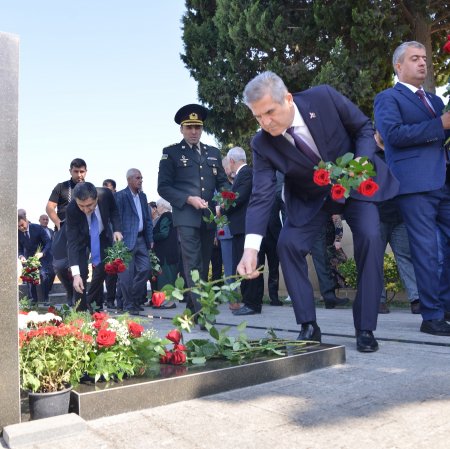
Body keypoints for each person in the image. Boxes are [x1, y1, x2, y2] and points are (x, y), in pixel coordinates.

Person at [237, 71, 399, 352]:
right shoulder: (261, 143)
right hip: (310, 197)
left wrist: (358, 165)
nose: (265, 122)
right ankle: (308, 325)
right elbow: (262, 195)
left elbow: (362, 128)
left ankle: (365, 327)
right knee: (288, 244)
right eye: (257, 117)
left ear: (287, 99)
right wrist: (251, 249)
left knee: (371, 238)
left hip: (354, 184)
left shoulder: (323, 98)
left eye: (270, 112)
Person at [374, 41, 450, 335]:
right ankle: (431, 316)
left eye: (424, 59)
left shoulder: (435, 100)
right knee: (426, 249)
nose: (422, 63)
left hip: (443, 181)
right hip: (414, 185)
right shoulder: (388, 98)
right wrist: (440, 124)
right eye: (415, 59)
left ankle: (444, 304)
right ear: (398, 66)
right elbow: (393, 136)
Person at [157, 104, 229, 318]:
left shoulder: (214, 153)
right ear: (181, 129)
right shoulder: (171, 153)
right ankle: (202, 312)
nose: (194, 131)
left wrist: (223, 200)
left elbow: (223, 182)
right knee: (193, 263)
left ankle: (191, 305)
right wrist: (188, 199)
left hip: (208, 218)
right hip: (186, 217)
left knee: (204, 262)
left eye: (197, 127)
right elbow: (163, 187)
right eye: (189, 127)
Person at [373, 132, 420, 315]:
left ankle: (416, 299)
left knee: (406, 257)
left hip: (400, 214)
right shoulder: (369, 155)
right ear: (376, 133)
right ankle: (378, 300)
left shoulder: (400, 152)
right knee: (374, 259)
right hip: (376, 215)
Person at [65, 182, 122, 311]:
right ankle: (80, 311)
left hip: (102, 236)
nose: (86, 210)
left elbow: (114, 210)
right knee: (81, 273)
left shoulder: (106, 194)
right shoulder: (72, 209)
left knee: (104, 266)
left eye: (89, 205)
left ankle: (91, 303)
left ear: (96, 198)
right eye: (81, 206)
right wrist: (76, 274)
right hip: (81, 239)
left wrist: (117, 229)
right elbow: (72, 242)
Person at [221, 146, 264, 316]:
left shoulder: (245, 173)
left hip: (245, 227)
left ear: (231, 161)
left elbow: (238, 198)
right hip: (242, 228)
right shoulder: (244, 174)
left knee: (248, 265)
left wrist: (222, 208)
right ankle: (250, 301)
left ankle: (251, 303)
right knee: (247, 265)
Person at [46, 158, 87, 305]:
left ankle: (81, 302)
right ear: (70, 171)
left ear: (86, 172)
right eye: (76, 171)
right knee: (59, 265)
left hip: (82, 232)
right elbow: (49, 207)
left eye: (82, 171)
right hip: (63, 229)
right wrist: (57, 222)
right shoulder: (61, 187)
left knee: (82, 266)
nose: (79, 175)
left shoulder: (89, 188)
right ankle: (70, 290)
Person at [115, 169, 153, 315]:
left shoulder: (143, 197)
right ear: (129, 180)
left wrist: (150, 239)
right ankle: (129, 304)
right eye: (138, 178)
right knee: (126, 275)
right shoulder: (120, 196)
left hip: (141, 239)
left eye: (141, 178)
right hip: (125, 240)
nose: (141, 180)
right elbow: (115, 218)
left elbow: (148, 219)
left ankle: (132, 299)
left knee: (146, 269)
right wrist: (116, 237)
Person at [18, 214, 52, 303]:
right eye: (19, 227)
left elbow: (48, 242)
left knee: (43, 275)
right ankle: (34, 301)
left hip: (42, 256)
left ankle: (45, 298)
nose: (21, 228)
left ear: (26, 221)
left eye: (22, 225)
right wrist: (21, 256)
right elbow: (19, 249)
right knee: (30, 279)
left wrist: (42, 253)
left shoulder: (37, 228)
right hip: (29, 259)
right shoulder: (18, 233)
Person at [152, 198, 178, 309]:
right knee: (166, 278)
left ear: (162, 206)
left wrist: (151, 238)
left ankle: (170, 302)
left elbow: (163, 233)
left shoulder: (166, 216)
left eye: (158, 206)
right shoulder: (171, 216)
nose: (157, 209)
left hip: (166, 254)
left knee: (166, 278)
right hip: (170, 253)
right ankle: (162, 301)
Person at [101, 178, 118, 308]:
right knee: (105, 273)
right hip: (103, 244)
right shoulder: (98, 203)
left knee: (114, 274)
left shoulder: (118, 202)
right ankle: (107, 300)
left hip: (118, 244)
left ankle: (114, 299)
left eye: (109, 191)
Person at [38, 214, 56, 298]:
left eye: (47, 219)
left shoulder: (51, 231)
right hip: (42, 258)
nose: (45, 221)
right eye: (43, 219)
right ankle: (45, 297)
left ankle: (47, 290)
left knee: (52, 274)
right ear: (39, 220)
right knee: (44, 276)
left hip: (51, 257)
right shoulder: (37, 230)